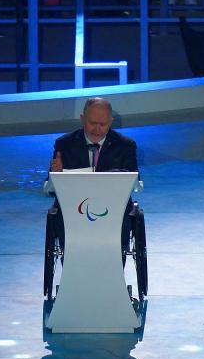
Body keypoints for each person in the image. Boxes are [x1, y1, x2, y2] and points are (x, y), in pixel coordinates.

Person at [47, 97, 139, 256]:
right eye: (92, 123)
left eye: (103, 124)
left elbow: (133, 182)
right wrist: (57, 174)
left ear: (111, 121)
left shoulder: (126, 145)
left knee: (122, 223)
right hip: (73, 209)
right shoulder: (64, 144)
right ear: (82, 119)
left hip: (113, 208)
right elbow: (50, 188)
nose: (97, 129)